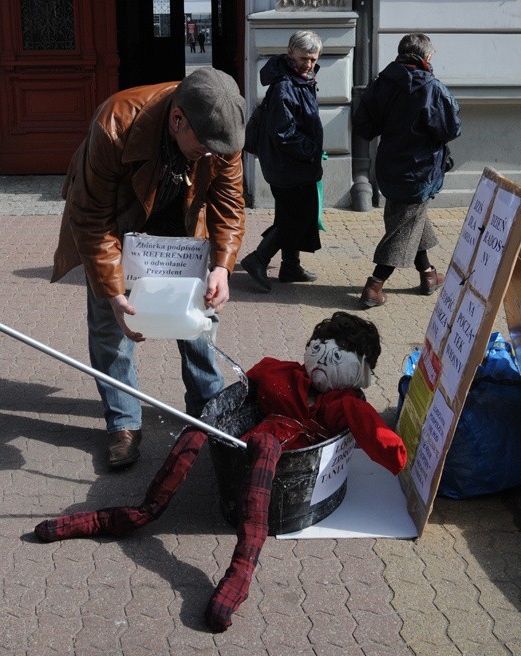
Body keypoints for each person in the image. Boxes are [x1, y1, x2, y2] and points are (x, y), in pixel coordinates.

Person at [34, 311, 407, 632]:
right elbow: (244, 388)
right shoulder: (281, 372)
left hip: (277, 457)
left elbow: (377, 435)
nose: (323, 360)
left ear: (359, 372)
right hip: (249, 438)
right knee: (200, 427)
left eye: (338, 357)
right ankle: (138, 513)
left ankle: (242, 567)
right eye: (319, 347)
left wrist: (406, 460)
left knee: (265, 447)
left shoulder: (345, 404)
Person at [50, 67, 246, 468]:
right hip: (116, 226)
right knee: (112, 327)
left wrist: (223, 266)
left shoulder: (222, 134)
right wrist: (114, 291)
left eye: (219, 151)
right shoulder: (114, 124)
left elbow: (229, 204)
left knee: (198, 320)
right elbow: (91, 218)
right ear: (177, 120)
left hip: (180, 223)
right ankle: (123, 421)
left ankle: (207, 409)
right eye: (204, 147)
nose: (212, 155)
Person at [352, 33, 462, 307]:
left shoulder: (383, 82)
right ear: (425, 56)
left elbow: (364, 126)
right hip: (419, 170)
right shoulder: (431, 87)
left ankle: (428, 275)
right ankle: (374, 287)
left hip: (389, 165)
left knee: (411, 218)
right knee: (403, 227)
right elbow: (451, 129)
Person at [241, 30, 324, 293]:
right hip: (289, 166)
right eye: (304, 58)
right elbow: (283, 132)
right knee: (295, 218)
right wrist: (309, 149)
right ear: (290, 52)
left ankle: (290, 266)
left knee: (291, 214)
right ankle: (258, 259)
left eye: (313, 59)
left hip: (291, 165)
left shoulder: (299, 79)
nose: (309, 64)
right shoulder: (285, 85)